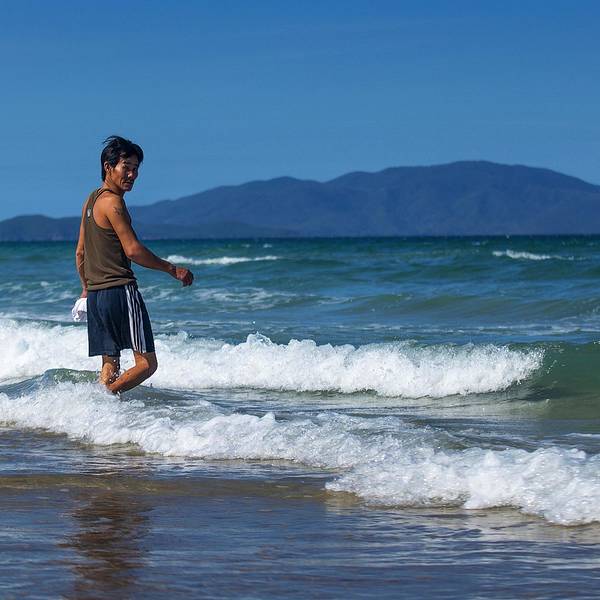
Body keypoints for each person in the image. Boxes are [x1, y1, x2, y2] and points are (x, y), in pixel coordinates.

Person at [75, 136, 193, 393]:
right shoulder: (113, 202)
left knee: (110, 364)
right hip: (120, 291)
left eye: (136, 168)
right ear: (108, 167)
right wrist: (172, 269)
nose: (132, 174)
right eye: (126, 167)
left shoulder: (91, 200)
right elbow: (133, 250)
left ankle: (97, 408)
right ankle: (105, 398)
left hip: (96, 296)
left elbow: (80, 253)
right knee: (147, 364)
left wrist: (86, 289)